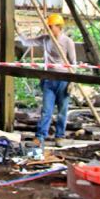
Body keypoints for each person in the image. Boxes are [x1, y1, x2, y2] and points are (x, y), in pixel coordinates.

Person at [17, 13, 78, 141]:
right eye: (48, 27)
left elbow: (73, 63)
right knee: (46, 111)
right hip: (48, 79)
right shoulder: (45, 39)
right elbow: (27, 42)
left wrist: (72, 81)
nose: (49, 30)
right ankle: (40, 136)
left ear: (59, 27)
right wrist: (18, 30)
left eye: (51, 27)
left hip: (63, 80)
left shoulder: (67, 42)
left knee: (62, 111)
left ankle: (60, 136)